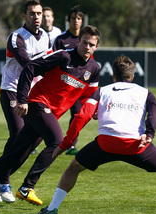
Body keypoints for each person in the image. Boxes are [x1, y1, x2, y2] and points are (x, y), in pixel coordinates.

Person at [34, 55, 156, 214]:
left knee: (74, 167)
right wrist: (149, 134)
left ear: (114, 75)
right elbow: (155, 114)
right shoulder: (146, 92)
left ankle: (52, 210)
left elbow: (81, 116)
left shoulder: (103, 91)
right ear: (132, 76)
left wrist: (66, 144)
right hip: (135, 145)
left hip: (105, 144)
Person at [0, 25, 101, 206]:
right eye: (84, 42)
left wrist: (95, 111)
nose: (87, 47)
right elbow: (30, 68)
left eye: (91, 44)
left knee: (14, 156)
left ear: (96, 47)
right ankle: (27, 188)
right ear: (78, 41)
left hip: (51, 113)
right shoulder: (63, 56)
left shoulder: (94, 69)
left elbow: (90, 95)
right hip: (37, 103)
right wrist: (23, 99)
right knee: (57, 141)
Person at [0, 0, 52, 203]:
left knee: (36, 137)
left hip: (33, 94)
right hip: (12, 91)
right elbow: (29, 64)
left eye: (39, 13)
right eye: (32, 13)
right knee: (17, 132)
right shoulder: (16, 37)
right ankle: (4, 181)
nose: (36, 17)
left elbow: (48, 67)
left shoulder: (46, 38)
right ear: (24, 16)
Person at [53, 5, 84, 155]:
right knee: (51, 115)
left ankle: (71, 145)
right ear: (69, 20)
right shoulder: (61, 39)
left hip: (77, 87)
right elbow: (53, 62)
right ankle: (46, 140)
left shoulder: (85, 40)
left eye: (79, 19)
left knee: (78, 115)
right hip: (62, 86)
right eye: (73, 18)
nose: (76, 21)